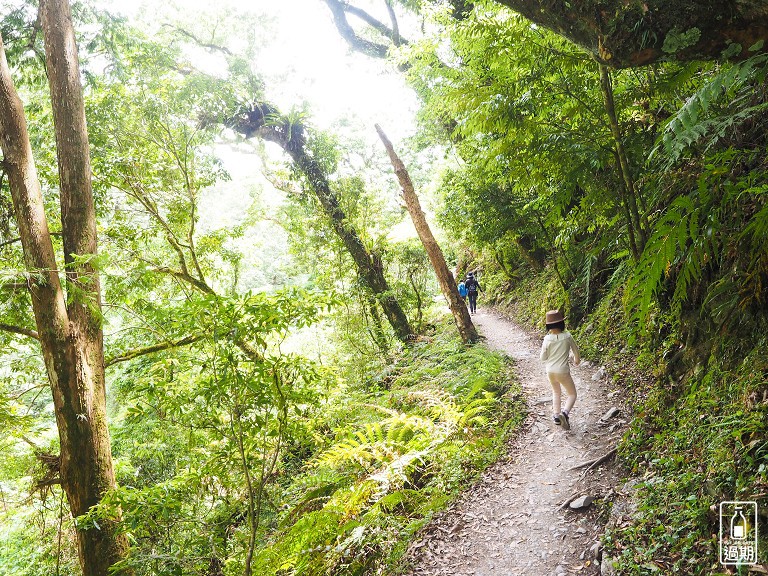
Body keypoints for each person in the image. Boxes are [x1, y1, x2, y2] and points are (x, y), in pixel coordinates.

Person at [539, 309, 580, 430]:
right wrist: (576, 360)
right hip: (563, 371)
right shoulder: (567, 336)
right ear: (562, 324)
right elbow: (575, 350)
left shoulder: (547, 339)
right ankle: (565, 413)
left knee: (556, 392)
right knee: (572, 394)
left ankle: (556, 416)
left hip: (550, 371)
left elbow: (543, 358)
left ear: (548, 326)